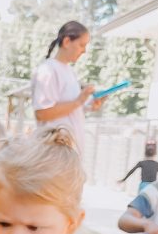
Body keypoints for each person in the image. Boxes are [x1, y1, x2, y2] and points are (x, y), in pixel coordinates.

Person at [30, 20, 103, 155]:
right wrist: (79, 101)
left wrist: (91, 104)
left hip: (69, 151)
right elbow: (42, 113)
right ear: (67, 41)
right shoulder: (48, 70)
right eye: (82, 45)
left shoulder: (69, 71)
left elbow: (70, 109)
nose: (84, 51)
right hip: (53, 153)